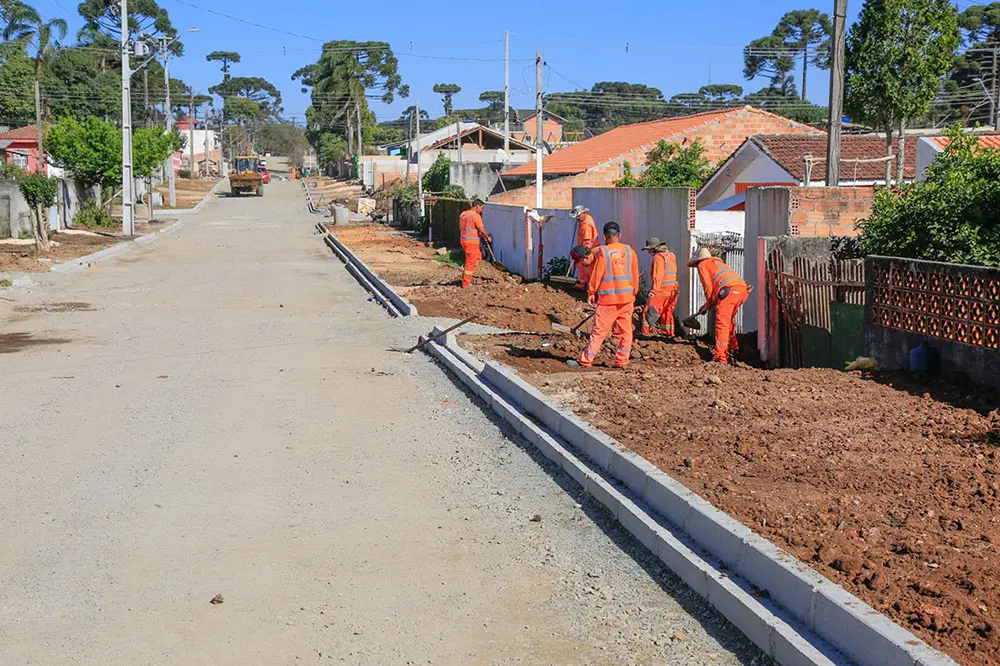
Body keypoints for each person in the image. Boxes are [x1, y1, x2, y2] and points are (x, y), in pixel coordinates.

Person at [569, 222, 640, 369]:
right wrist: (634, 292)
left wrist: (591, 292)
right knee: (626, 332)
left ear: (604, 236)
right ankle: (622, 360)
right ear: (619, 235)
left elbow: (597, 274)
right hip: (627, 299)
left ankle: (585, 360)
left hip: (609, 300)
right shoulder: (629, 251)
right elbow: (635, 274)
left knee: (599, 332)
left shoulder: (604, 253)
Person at [688, 247, 749, 364]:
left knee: (722, 324)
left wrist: (709, 302)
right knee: (729, 321)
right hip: (741, 290)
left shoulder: (703, 265)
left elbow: (708, 286)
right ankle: (733, 348)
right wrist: (708, 304)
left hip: (728, 292)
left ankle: (720, 358)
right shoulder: (719, 263)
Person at [640, 238, 679, 337]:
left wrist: (653, 291)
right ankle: (668, 334)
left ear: (654, 248)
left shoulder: (658, 258)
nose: (649, 252)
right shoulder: (671, 255)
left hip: (662, 290)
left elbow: (658, 276)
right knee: (667, 312)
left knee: (647, 311)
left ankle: (646, 334)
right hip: (673, 290)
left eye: (649, 250)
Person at [459, 199, 490, 289]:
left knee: (478, 256)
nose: (482, 210)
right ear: (477, 206)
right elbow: (481, 229)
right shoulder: (476, 216)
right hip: (471, 242)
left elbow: (461, 227)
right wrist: (487, 237)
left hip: (464, 240)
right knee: (470, 262)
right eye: (482, 208)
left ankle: (470, 277)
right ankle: (466, 284)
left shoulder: (463, 214)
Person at [570, 205, 600, 288]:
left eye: (578, 216)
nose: (577, 218)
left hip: (589, 249)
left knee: (584, 266)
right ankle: (587, 283)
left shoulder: (586, 226)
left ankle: (582, 284)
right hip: (592, 247)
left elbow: (587, 241)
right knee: (588, 268)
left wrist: (581, 253)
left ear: (583, 213)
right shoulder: (588, 218)